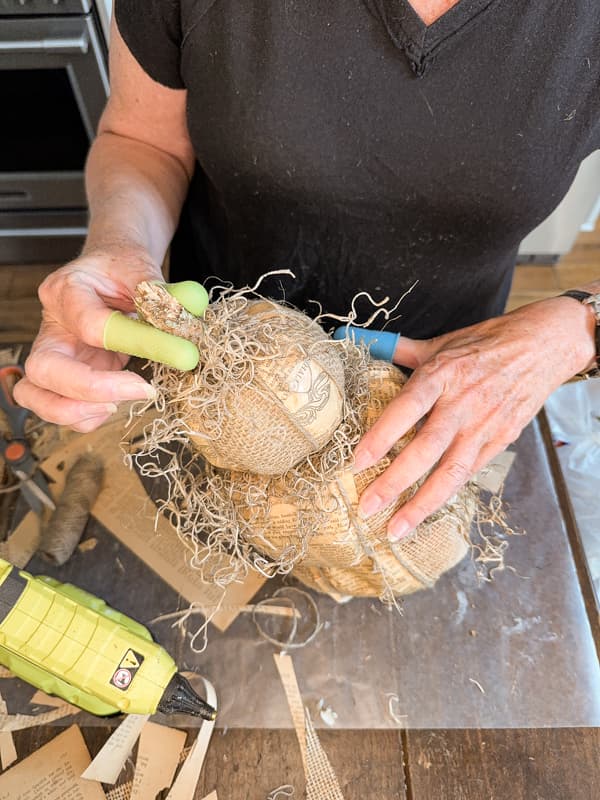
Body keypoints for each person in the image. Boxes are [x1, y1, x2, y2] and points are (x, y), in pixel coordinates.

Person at [15, 1, 600, 542]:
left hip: (430, 402)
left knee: (381, 561)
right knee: (215, 538)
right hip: (213, 382)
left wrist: (580, 328)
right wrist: (119, 245)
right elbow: (146, 140)